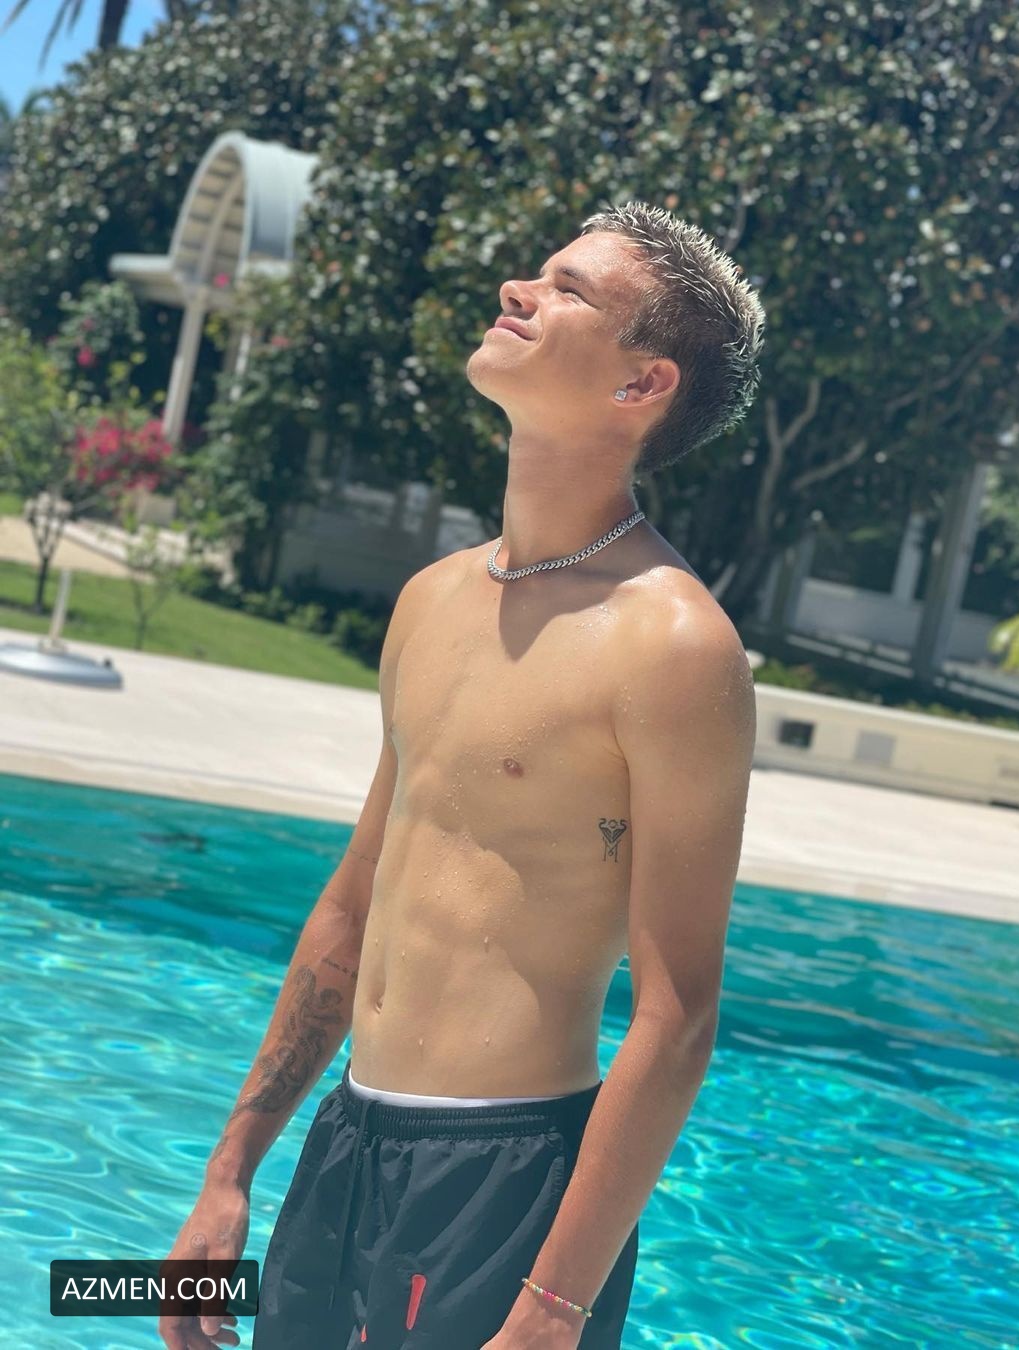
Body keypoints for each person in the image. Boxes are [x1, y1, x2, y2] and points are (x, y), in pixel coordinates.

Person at [158, 199, 764, 1350]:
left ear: (643, 384)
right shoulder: (431, 600)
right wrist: (228, 1175)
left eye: (569, 289)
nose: (517, 291)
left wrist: (552, 1309)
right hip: (346, 1145)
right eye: (537, 271)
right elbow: (354, 905)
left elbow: (678, 1015)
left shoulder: (675, 646)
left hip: (505, 1179)